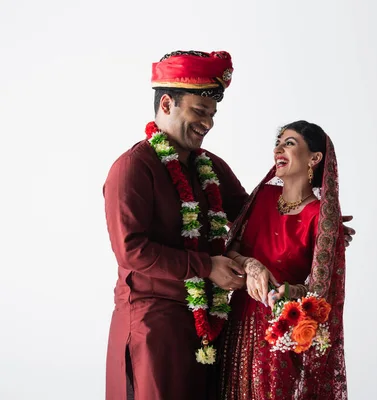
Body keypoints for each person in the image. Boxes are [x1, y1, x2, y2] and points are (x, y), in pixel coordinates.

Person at [104, 51, 355, 399]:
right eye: (199, 112)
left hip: (212, 327)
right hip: (154, 325)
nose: (208, 124)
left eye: (212, 115)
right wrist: (206, 267)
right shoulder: (133, 168)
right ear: (166, 104)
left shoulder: (209, 166)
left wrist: (314, 220)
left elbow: (254, 215)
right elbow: (132, 251)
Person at [220, 120, 348, 399]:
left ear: (314, 158)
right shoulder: (263, 197)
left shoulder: (321, 218)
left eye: (289, 143)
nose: (278, 147)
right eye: (278, 142)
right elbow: (230, 249)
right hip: (237, 324)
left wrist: (286, 292)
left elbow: (321, 291)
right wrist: (250, 265)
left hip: (279, 332)